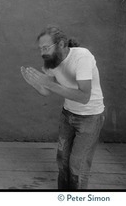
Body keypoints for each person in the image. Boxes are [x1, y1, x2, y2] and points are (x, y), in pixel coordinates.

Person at [21, 26, 105, 189]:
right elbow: (46, 91)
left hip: (90, 117)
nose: (42, 53)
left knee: (77, 165)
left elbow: (84, 96)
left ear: (60, 44)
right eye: (40, 49)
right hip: (68, 115)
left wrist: (48, 84)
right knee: (62, 160)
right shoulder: (51, 62)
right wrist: (35, 84)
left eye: (46, 48)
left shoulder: (82, 56)